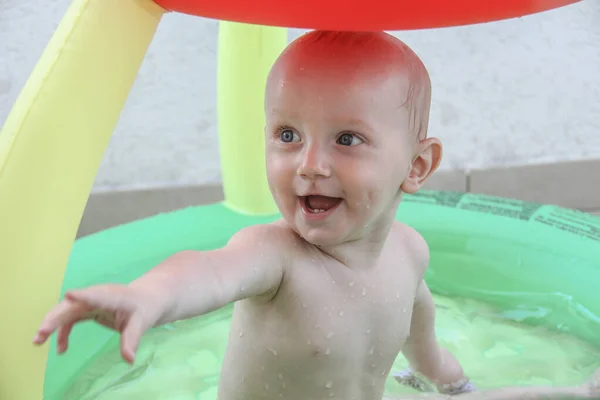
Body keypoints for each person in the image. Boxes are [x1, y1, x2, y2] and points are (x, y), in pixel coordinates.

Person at [33, 30, 600, 400]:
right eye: (287, 134)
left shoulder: (409, 254)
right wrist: (149, 297)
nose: (309, 164)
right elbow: (205, 272)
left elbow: (427, 350)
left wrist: (452, 384)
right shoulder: (275, 257)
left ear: (417, 165)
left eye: (347, 139)